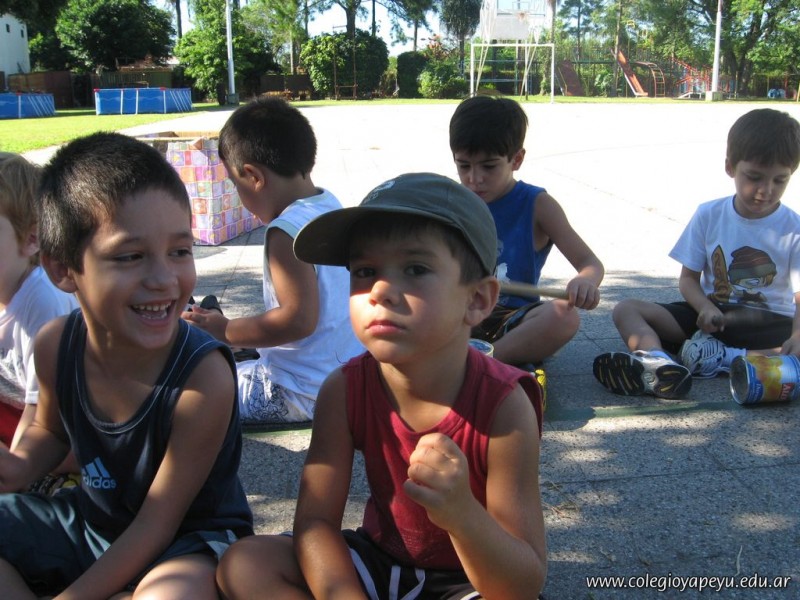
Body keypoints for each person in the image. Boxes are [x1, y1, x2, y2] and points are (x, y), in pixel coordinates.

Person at [216, 173, 547, 600]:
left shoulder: (504, 405)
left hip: (468, 580)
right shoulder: (345, 390)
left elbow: (522, 584)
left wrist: (463, 515)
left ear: (477, 300)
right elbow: (315, 523)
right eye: (365, 271)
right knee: (246, 563)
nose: (381, 290)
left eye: (416, 269)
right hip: (377, 564)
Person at [0, 132, 253, 599]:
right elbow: (51, 432)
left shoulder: (202, 377)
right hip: (93, 523)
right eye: (130, 256)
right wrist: (15, 469)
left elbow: (158, 523)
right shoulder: (56, 345)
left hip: (187, 543)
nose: (163, 279)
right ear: (63, 270)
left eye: (180, 250)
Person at [593, 108, 800, 399]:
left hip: (768, 321)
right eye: (754, 177)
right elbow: (688, 279)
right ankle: (658, 363)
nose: (765, 190)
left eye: (780, 180)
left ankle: (725, 358)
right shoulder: (709, 214)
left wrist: (797, 336)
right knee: (626, 309)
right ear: (730, 167)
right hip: (712, 319)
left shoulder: (794, 228)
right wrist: (704, 307)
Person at [183, 97, 362, 425]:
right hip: (343, 380)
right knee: (229, 356)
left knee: (193, 387)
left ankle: (221, 343)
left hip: (298, 394)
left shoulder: (286, 232)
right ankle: (231, 346)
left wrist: (226, 330)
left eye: (235, 185)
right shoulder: (329, 205)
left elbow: (298, 320)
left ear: (253, 176)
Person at [448, 94, 604, 368]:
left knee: (563, 316)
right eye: (464, 166)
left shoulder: (538, 204)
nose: (474, 178)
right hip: (457, 314)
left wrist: (585, 281)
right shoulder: (451, 200)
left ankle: (480, 364)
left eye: (489, 166)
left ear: (516, 159)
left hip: (512, 319)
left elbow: (590, 262)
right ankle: (474, 363)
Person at [0, 153, 78, 456]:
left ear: (31, 239)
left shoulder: (43, 301)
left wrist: (15, 471)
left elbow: (43, 415)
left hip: (60, 431)